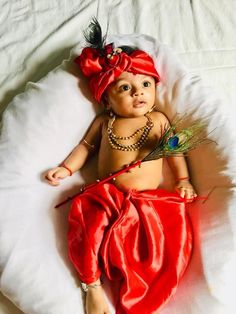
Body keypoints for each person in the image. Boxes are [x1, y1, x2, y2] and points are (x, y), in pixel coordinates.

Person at [45, 19, 197, 314]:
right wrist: (66, 168)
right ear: (106, 100)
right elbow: (85, 148)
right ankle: (93, 286)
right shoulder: (105, 122)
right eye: (124, 88)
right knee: (87, 225)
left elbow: (175, 151)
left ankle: (140, 300)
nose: (137, 93)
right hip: (107, 195)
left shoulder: (158, 120)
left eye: (145, 84)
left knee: (160, 247)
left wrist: (184, 179)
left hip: (148, 202)